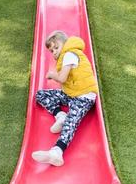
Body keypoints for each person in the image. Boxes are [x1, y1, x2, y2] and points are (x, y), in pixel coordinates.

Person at [32, 30, 98, 166]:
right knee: (41, 95)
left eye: (56, 47)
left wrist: (51, 75)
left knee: (71, 121)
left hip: (84, 96)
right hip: (72, 94)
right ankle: (60, 115)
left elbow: (62, 78)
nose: (54, 52)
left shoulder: (69, 54)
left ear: (65, 44)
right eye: (51, 50)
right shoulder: (65, 57)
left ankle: (57, 152)